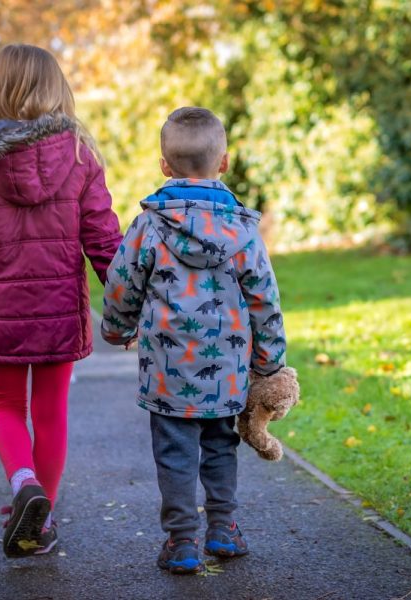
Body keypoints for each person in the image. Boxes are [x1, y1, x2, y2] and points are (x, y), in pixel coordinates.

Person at [0, 44, 122, 558]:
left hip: (0, 318)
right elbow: (105, 242)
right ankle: (42, 519)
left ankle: (25, 484)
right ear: (56, 90)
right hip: (59, 313)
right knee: (50, 411)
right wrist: (127, 309)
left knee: (5, 406)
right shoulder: (80, 156)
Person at [101, 107, 287, 574]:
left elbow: (122, 284)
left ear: (165, 166)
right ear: (223, 162)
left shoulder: (148, 226)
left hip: (167, 372)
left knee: (174, 454)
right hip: (226, 372)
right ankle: (223, 528)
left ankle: (182, 540)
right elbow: (264, 297)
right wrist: (269, 361)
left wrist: (117, 329)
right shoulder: (243, 230)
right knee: (222, 446)